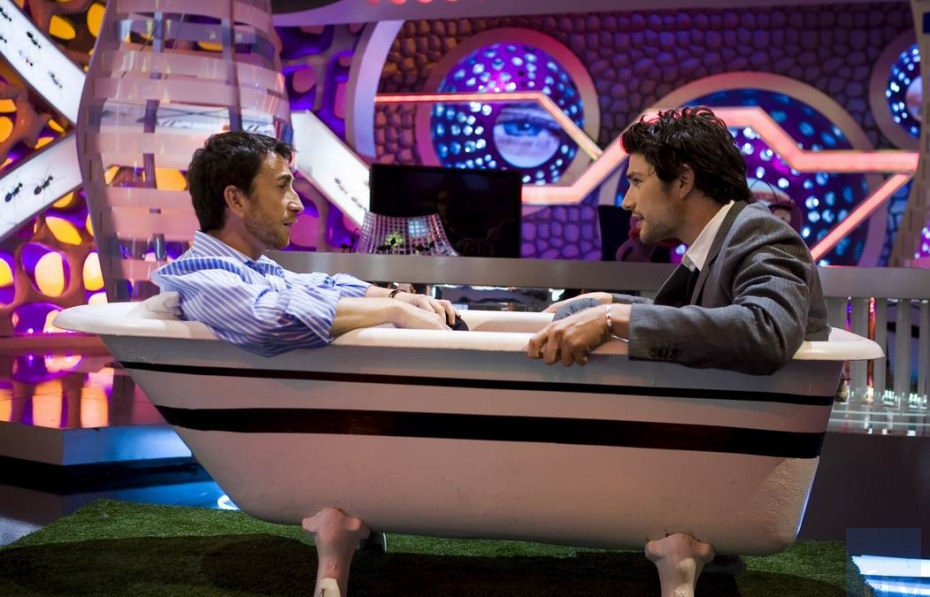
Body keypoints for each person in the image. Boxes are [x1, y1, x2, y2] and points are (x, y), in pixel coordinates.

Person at [526, 107, 829, 375]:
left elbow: (768, 330)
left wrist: (610, 317)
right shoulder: (721, 240)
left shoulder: (759, 232)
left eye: (637, 181)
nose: (627, 202)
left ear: (683, 181)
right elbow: (698, 322)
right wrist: (608, 302)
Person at [151, 131, 458, 357]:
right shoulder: (200, 277)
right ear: (236, 200)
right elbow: (272, 317)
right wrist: (394, 311)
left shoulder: (255, 268)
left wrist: (399, 298)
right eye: (282, 187)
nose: (298, 205)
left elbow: (325, 285)